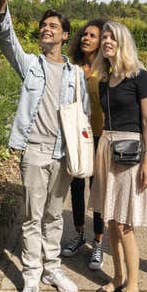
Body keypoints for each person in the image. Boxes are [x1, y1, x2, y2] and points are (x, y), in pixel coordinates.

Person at [0, 0, 87, 292]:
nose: (46, 29)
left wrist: (84, 150)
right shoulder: (31, 66)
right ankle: (31, 275)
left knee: (55, 216)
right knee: (31, 216)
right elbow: (7, 40)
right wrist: (1, 5)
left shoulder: (76, 74)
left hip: (64, 154)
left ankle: (52, 268)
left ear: (64, 35)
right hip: (36, 150)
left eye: (53, 27)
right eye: (44, 26)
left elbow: (82, 115)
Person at [90, 21, 147, 292]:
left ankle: (134, 289)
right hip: (107, 147)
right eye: (104, 37)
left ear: (122, 41)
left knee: (125, 224)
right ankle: (117, 277)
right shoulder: (104, 78)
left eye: (112, 37)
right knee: (111, 220)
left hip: (130, 152)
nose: (106, 41)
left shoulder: (139, 76)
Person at [61, 18, 108, 270]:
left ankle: (98, 242)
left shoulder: (107, 68)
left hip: (101, 136)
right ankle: (79, 234)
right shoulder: (73, 68)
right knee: (77, 186)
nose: (86, 38)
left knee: (98, 191)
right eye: (84, 35)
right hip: (79, 136)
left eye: (93, 35)